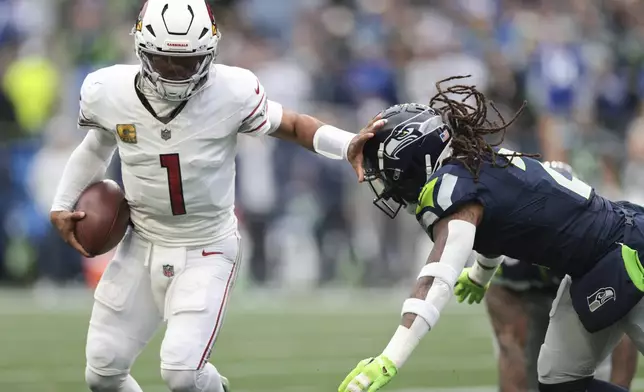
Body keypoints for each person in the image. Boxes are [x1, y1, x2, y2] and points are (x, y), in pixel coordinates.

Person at [49, 1, 381, 392]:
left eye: (186, 63)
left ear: (209, 53)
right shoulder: (109, 92)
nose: (174, 74)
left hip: (205, 247)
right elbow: (95, 147)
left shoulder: (231, 91)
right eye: (164, 61)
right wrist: (61, 202)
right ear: (141, 49)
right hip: (141, 242)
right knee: (102, 373)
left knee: (182, 373)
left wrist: (347, 146)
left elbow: (290, 124)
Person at [338, 76, 644, 392]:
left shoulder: (452, 189)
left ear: (413, 158)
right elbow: (502, 226)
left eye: (387, 170)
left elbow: (435, 281)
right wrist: (481, 275)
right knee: (559, 383)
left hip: (625, 251)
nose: (386, 183)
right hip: (591, 265)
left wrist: (389, 358)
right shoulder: (473, 164)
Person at [461, 163, 638, 392]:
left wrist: (621, 386)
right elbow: (510, 348)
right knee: (544, 374)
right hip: (525, 294)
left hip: (586, 276)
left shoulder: (600, 231)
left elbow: (622, 331)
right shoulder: (506, 251)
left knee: (585, 372)